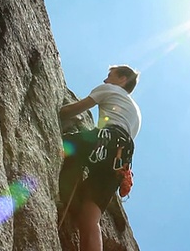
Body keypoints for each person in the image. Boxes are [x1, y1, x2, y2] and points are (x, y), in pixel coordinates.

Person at [59, 65, 141, 251]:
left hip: (109, 139)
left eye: (110, 76)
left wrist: (53, 110)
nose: (105, 80)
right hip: (122, 159)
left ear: (123, 79)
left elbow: (75, 110)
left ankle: (63, 193)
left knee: (65, 143)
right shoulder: (135, 111)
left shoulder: (109, 89)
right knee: (89, 217)